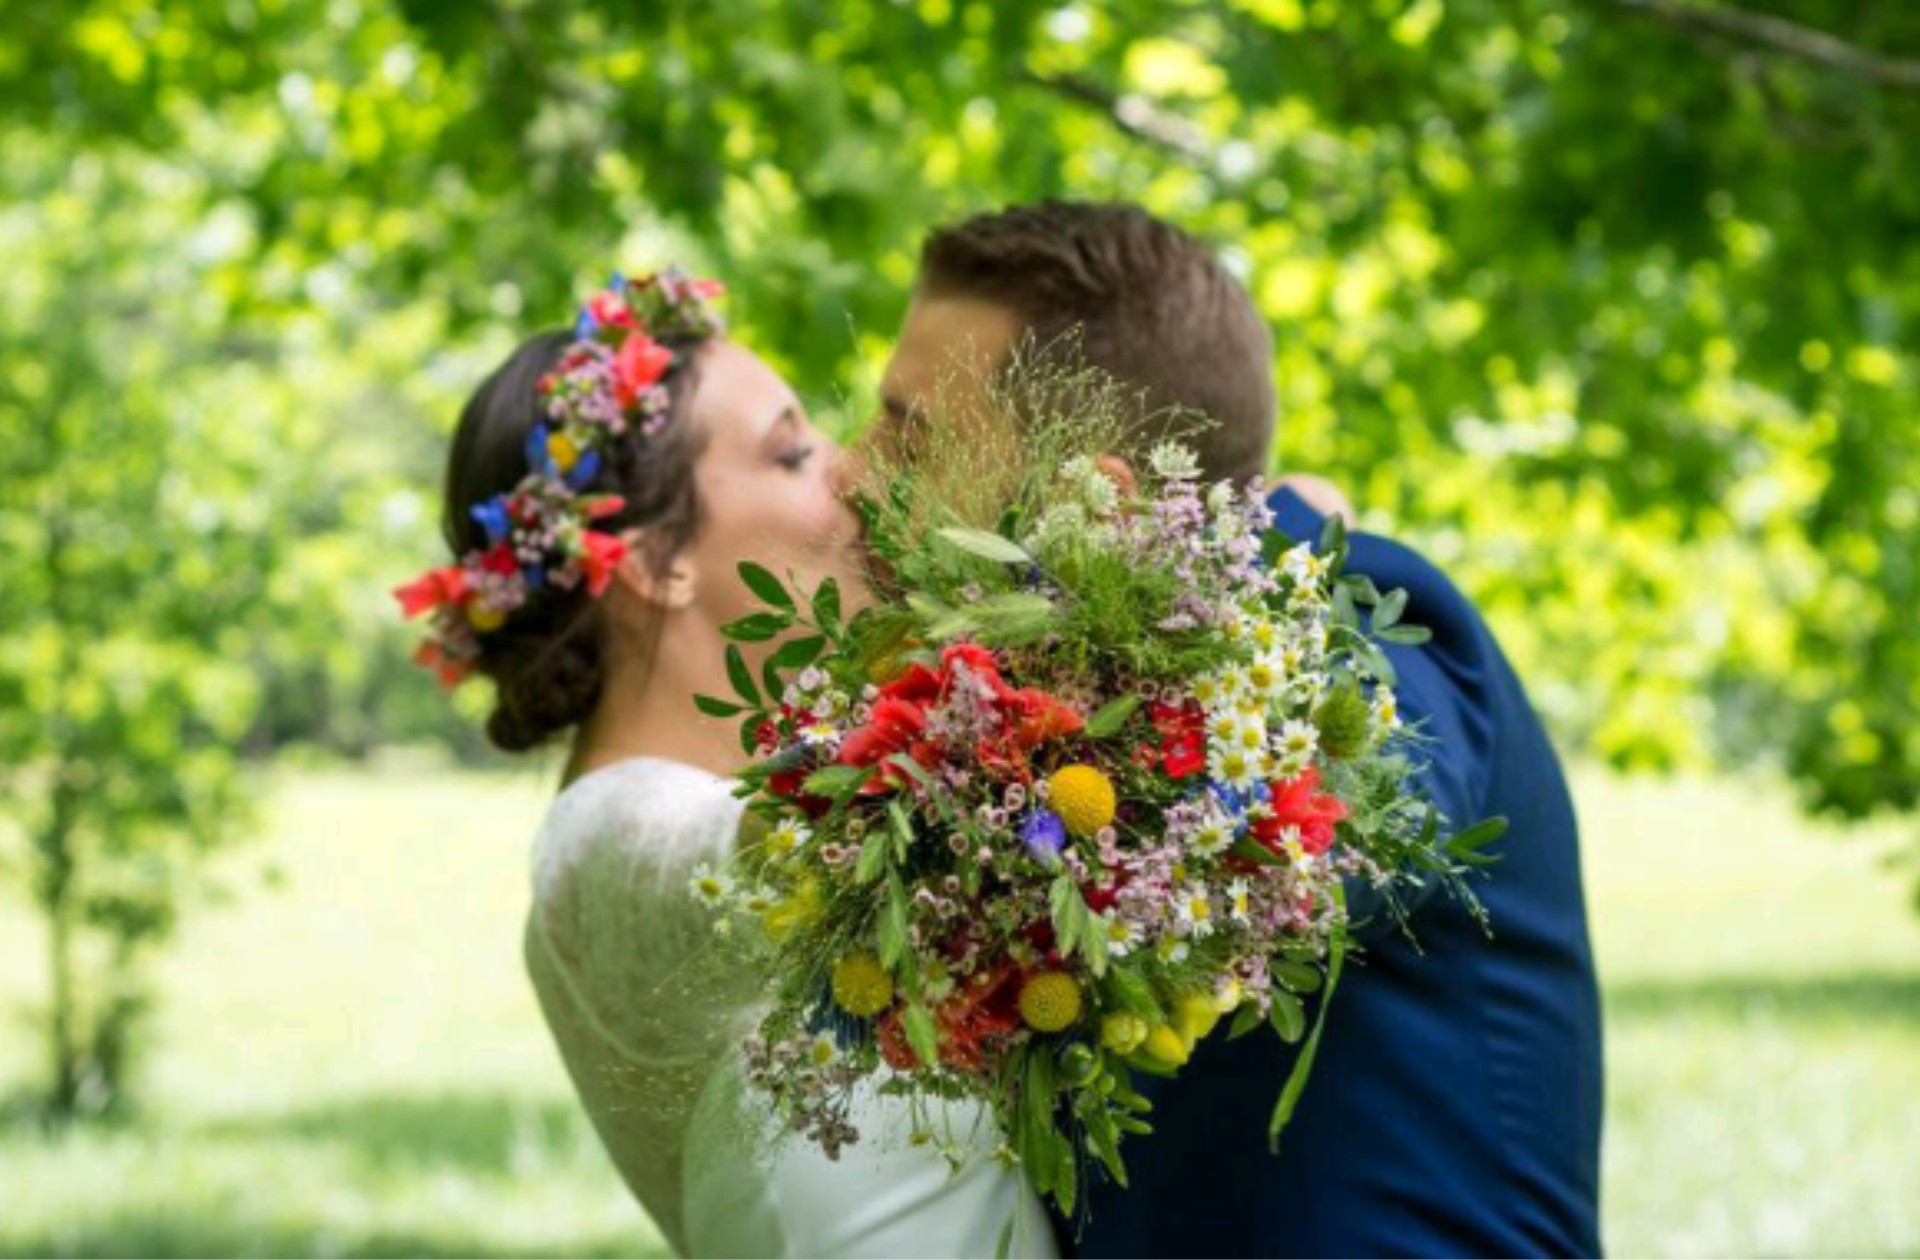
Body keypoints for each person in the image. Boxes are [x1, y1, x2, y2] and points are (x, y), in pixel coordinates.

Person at [880, 203, 1605, 1257]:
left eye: (913, 434)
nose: (856, 475)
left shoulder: (1364, 619)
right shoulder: (1028, 700)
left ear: (1097, 501)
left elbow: (1300, 834)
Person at [397, 270, 1057, 1258]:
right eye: (792, 452)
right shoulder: (602, 844)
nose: (853, 468)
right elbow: (755, 850)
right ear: (653, 564)